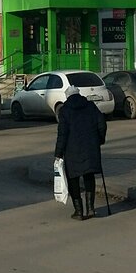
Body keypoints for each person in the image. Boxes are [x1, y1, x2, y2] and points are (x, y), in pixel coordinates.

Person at [54, 85, 107, 220]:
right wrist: (100, 140)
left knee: (73, 179)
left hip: (72, 149)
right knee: (89, 176)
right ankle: (90, 209)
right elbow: (102, 123)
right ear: (79, 94)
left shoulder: (65, 110)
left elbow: (62, 134)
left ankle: (79, 211)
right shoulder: (90, 106)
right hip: (90, 147)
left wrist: (58, 153)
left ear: (67, 96)